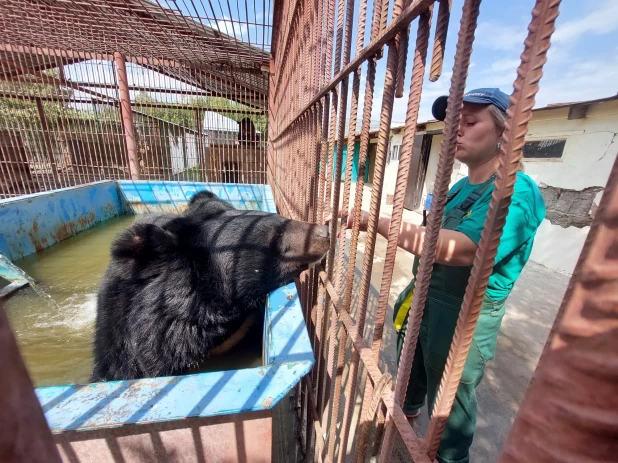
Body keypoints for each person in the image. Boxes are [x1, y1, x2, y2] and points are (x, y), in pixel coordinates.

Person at [334, 88, 546, 463]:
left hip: (465, 316)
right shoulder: (461, 186)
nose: (456, 132)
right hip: (424, 299)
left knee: (450, 407)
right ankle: (403, 435)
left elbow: (462, 249)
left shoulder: (516, 192)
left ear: (505, 131)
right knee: (410, 381)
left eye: (469, 122)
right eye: (452, 124)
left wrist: (379, 222)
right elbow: (430, 234)